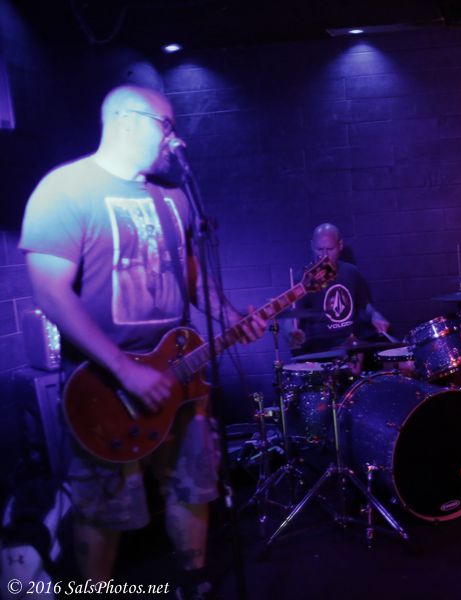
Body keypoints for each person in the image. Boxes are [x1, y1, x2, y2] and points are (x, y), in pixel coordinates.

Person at [19, 84, 265, 600]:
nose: (175, 139)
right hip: (103, 385)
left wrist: (230, 316)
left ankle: (192, 584)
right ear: (126, 120)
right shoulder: (65, 189)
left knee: (193, 485)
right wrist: (124, 368)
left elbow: (192, 279)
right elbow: (50, 294)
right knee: (102, 508)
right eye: (166, 125)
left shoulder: (174, 199)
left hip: (180, 375)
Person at [286, 222, 390, 372]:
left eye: (330, 249)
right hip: (320, 351)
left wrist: (375, 315)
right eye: (319, 249)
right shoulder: (303, 279)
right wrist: (291, 332)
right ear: (311, 246)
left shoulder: (351, 272)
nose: (324, 255)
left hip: (351, 345)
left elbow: (365, 306)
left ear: (340, 245)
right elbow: (292, 317)